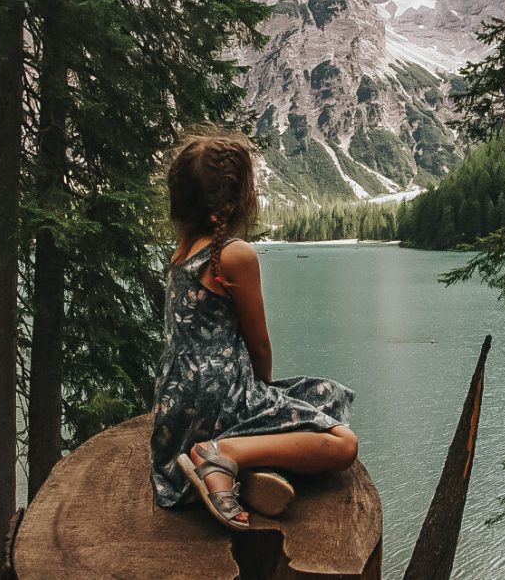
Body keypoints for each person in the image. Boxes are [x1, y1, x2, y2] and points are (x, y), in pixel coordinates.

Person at [150, 132, 358, 530]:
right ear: (239, 197)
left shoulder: (182, 251)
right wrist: (264, 395)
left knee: (323, 396)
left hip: (177, 403)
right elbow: (259, 347)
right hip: (221, 396)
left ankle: (234, 469)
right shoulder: (233, 254)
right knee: (343, 444)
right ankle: (223, 454)